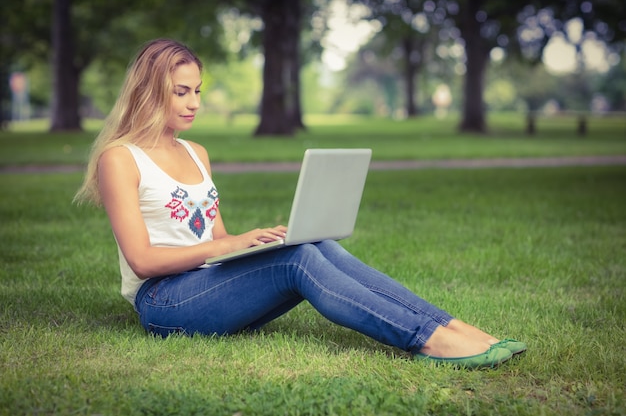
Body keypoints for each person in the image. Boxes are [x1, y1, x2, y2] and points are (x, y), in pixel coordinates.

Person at [74, 38, 526, 369]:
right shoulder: (120, 158)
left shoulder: (196, 153)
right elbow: (143, 260)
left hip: (207, 284)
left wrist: (253, 243)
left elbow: (216, 237)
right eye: (182, 92)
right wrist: (227, 248)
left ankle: (448, 326)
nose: (196, 102)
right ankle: (428, 341)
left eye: (197, 90)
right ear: (150, 92)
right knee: (298, 261)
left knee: (314, 244)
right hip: (164, 303)